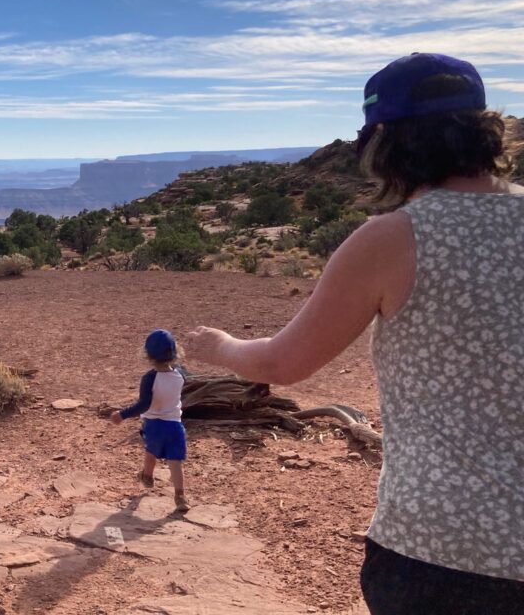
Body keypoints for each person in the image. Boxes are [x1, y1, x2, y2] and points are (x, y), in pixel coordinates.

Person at [185, 52, 524, 614]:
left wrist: (220, 347)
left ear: (385, 142)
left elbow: (282, 364)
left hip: (447, 548)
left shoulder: (392, 239)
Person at [110, 328, 189, 512]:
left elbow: (144, 404)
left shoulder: (149, 377)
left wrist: (122, 414)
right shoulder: (180, 374)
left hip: (154, 425)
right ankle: (180, 495)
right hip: (175, 426)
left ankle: (147, 475)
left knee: (151, 451)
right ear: (175, 352)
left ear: (148, 355)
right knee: (175, 462)